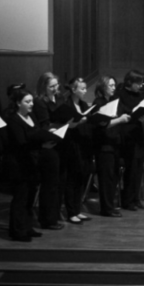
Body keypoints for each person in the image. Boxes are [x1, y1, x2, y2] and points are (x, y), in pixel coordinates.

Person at [5, 88, 60, 241]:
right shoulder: (13, 119)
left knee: (30, 197)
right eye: (27, 102)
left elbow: (37, 134)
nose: (31, 104)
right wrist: (42, 146)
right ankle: (17, 231)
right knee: (20, 197)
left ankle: (27, 227)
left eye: (31, 101)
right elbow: (21, 143)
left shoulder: (31, 116)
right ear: (17, 103)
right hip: (19, 164)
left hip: (33, 162)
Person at [91, 76, 131, 217]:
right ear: (102, 87)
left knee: (114, 177)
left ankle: (111, 205)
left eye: (114, 85)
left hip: (115, 143)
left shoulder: (115, 101)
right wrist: (119, 120)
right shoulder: (98, 103)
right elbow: (101, 125)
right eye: (110, 85)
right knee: (106, 178)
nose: (114, 87)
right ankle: (106, 208)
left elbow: (126, 112)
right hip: (103, 145)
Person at [30, 72, 64, 229]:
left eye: (57, 85)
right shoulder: (39, 102)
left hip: (60, 143)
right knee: (49, 184)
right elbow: (45, 124)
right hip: (48, 145)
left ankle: (55, 215)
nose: (55, 89)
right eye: (51, 86)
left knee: (57, 183)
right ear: (43, 87)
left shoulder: (59, 99)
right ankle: (47, 220)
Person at [60, 77, 94, 225]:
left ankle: (78, 209)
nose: (85, 91)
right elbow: (66, 125)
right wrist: (78, 121)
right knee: (72, 178)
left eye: (86, 88)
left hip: (84, 144)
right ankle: (71, 211)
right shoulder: (66, 105)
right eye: (82, 88)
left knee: (81, 177)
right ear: (73, 90)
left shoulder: (84, 104)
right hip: (71, 145)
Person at [116, 70, 144, 212]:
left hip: (138, 133)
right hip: (126, 135)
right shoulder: (120, 94)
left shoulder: (140, 95)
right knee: (131, 169)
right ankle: (127, 200)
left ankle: (136, 198)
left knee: (138, 168)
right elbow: (121, 111)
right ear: (130, 82)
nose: (140, 86)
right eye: (138, 83)